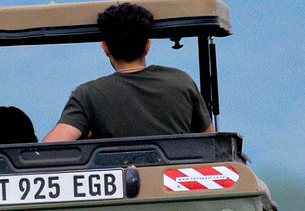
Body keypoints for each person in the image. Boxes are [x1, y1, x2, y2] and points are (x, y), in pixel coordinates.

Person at [43, 2, 215, 141]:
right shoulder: (181, 81)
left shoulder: (88, 94)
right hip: (175, 182)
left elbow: (51, 149)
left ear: (105, 48)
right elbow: (211, 143)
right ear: (147, 45)